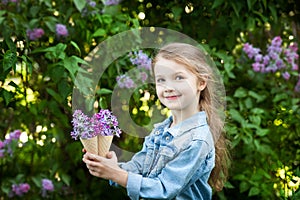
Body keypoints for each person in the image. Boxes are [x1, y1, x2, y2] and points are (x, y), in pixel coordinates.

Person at [82, 42, 230, 200]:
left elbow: (164, 189)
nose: (168, 87)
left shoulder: (197, 140)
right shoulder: (162, 130)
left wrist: (116, 174)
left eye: (178, 77)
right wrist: (110, 166)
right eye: (161, 80)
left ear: (201, 82)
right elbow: (140, 167)